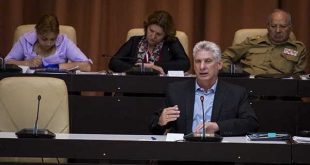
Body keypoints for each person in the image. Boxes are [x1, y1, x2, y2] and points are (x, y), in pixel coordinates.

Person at [150, 41, 258, 136]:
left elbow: (251, 123)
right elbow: (154, 126)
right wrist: (160, 121)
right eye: (198, 61)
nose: (202, 67)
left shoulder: (235, 93)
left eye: (207, 61)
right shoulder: (176, 90)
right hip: (184, 152)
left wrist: (218, 127)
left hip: (219, 152)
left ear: (219, 65)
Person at [222, 9, 307, 75]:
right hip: (249, 88)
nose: (278, 30)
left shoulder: (298, 48)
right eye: (273, 26)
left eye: (283, 26)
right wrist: (233, 72)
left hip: (280, 91)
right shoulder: (252, 42)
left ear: (290, 27)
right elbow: (224, 57)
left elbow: (298, 79)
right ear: (268, 27)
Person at [108, 10, 190, 74]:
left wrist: (157, 66)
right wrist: (138, 69)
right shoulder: (134, 41)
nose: (153, 36)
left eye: (158, 34)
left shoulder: (171, 43)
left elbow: (185, 64)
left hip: (160, 91)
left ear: (166, 35)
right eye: (151, 30)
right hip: (133, 88)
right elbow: (114, 62)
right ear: (146, 27)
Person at [5, 14, 91, 72]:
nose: (49, 43)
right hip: (27, 86)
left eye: (53, 39)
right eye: (44, 39)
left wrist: (57, 67)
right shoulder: (25, 40)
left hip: (56, 86)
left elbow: (87, 66)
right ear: (37, 33)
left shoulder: (64, 42)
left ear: (57, 35)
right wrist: (27, 63)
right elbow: (6, 63)